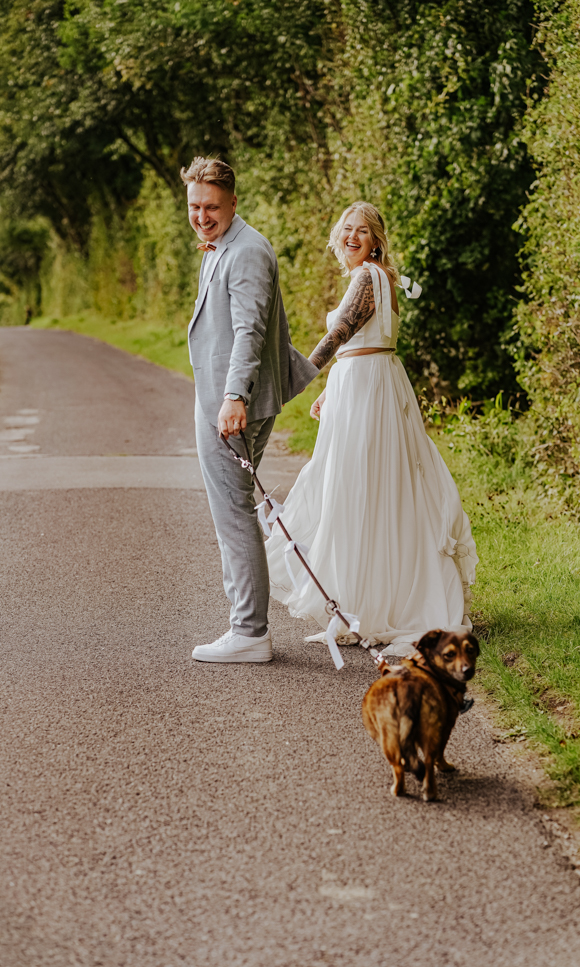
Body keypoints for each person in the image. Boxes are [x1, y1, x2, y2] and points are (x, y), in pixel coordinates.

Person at [265, 202, 478, 657]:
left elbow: (342, 330)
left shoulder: (367, 277)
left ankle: (374, 603)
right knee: (380, 489)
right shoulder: (382, 276)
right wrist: (332, 389)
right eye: (346, 229)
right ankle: (365, 598)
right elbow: (368, 343)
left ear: (376, 238)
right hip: (368, 382)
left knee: (357, 488)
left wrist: (302, 376)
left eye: (362, 231)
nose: (352, 237)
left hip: (369, 390)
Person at [184, 157, 319, 663]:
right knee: (233, 509)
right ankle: (248, 627)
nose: (202, 216)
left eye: (212, 207)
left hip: (233, 403)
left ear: (233, 202)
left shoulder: (247, 252)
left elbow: (250, 332)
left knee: (233, 513)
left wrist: (234, 396)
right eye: (195, 206)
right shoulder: (221, 246)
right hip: (220, 398)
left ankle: (250, 632)